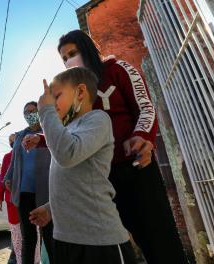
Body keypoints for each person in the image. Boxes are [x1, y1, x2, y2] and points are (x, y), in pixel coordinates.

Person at [55, 30, 187, 264]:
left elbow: (145, 107)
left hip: (136, 168)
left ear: (87, 49)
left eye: (72, 53)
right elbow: (71, 134)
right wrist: (42, 139)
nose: (68, 61)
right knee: (114, 249)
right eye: (64, 58)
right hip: (100, 181)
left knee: (160, 241)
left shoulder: (118, 69)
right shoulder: (76, 93)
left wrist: (142, 136)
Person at [29, 67, 136, 264]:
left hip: (99, 243)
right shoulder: (65, 132)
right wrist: (50, 208)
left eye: (56, 96)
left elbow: (67, 155)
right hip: (64, 241)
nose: (51, 102)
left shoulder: (98, 119)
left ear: (80, 92)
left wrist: (45, 110)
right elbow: (74, 181)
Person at [4, 101, 53, 264]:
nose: (29, 115)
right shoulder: (19, 135)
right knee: (28, 238)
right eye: (26, 112)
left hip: (45, 192)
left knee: (49, 236)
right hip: (24, 192)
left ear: (39, 112)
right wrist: (8, 178)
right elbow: (14, 161)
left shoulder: (48, 133)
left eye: (32, 111)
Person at [0, 134, 41, 264]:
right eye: (11, 141)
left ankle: (30, 260)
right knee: (22, 234)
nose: (12, 143)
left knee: (27, 234)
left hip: (27, 199)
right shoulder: (9, 157)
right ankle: (29, 260)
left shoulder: (30, 154)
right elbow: (3, 179)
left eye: (14, 140)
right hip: (15, 201)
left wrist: (0, 197)